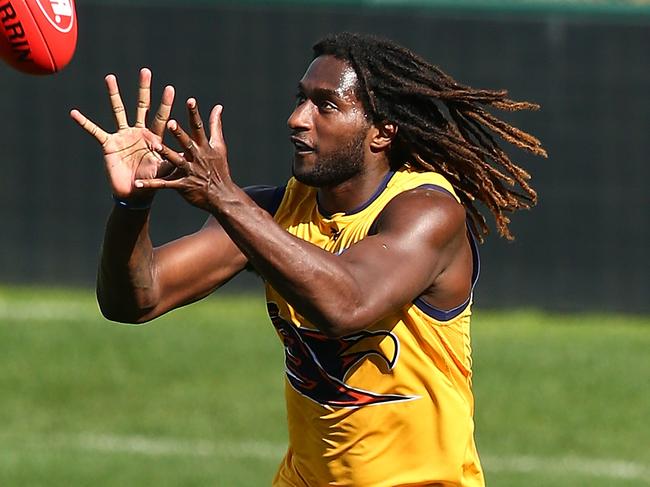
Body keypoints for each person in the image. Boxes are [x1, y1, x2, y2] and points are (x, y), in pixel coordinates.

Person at [71, 32, 546, 487]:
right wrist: (134, 204)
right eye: (301, 99)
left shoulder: (428, 211)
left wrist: (225, 198)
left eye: (325, 105)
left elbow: (346, 305)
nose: (298, 118)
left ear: (382, 132)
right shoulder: (270, 214)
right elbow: (135, 300)